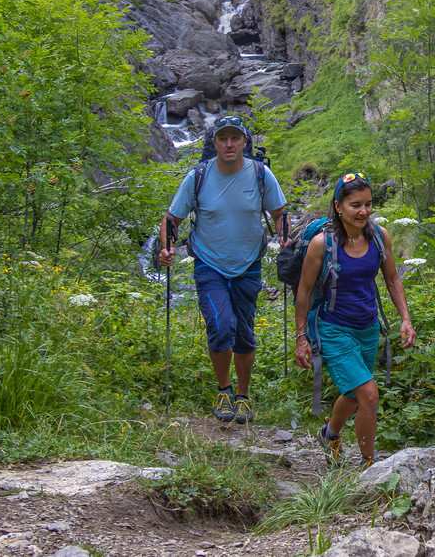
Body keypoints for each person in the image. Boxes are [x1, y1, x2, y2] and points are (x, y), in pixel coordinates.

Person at [158, 115, 288, 424]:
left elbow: (280, 214)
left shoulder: (260, 174)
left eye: (235, 138)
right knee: (220, 325)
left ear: (245, 141)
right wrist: (166, 248)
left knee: (243, 332)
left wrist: (284, 239)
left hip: (248, 264)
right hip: (209, 263)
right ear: (214, 142)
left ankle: (242, 396)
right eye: (222, 138)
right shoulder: (198, 176)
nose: (229, 144)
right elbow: (171, 220)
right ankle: (224, 389)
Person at [292, 172, 415, 464]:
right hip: (333, 328)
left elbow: (393, 279)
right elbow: (305, 291)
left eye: (368, 204)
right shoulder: (322, 244)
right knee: (369, 394)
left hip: (368, 328)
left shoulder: (379, 237)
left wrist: (406, 319)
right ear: (338, 207)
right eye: (355, 205)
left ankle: (329, 434)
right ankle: (368, 464)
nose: (363, 211)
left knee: (352, 393)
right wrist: (301, 338)